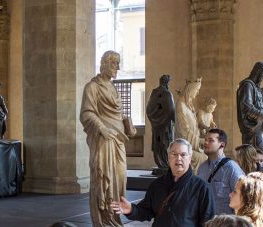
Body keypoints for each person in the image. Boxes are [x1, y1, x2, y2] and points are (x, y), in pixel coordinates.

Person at [80, 50, 136, 227]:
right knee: (104, 179)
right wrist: (102, 129)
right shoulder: (92, 87)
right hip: (104, 142)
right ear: (104, 63)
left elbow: (117, 115)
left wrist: (127, 124)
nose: (118, 67)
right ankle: (104, 220)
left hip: (118, 141)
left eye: (119, 64)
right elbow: (86, 113)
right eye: (114, 63)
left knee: (119, 180)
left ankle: (114, 218)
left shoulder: (112, 88)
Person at [110, 139, 215, 227]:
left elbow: (208, 222)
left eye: (183, 154)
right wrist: (131, 210)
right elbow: (146, 212)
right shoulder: (157, 185)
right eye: (174, 154)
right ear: (168, 157)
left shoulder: (202, 187)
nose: (178, 158)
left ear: (190, 158)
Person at [197, 128, 245, 214]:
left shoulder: (231, 168)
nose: (205, 143)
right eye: (205, 140)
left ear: (222, 145)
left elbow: (243, 197)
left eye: (211, 140)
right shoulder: (201, 167)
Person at [236, 62, 263, 163]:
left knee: (262, 155)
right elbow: (246, 106)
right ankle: (257, 176)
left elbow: (258, 104)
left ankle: (259, 175)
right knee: (260, 154)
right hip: (253, 127)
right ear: (259, 72)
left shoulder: (256, 87)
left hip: (261, 126)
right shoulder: (247, 85)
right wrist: (262, 113)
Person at [175, 78, 207, 174]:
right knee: (204, 158)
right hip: (184, 147)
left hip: (191, 145)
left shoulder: (188, 105)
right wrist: (200, 140)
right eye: (196, 90)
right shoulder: (180, 105)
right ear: (190, 89)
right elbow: (183, 132)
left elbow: (194, 126)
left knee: (208, 155)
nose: (197, 93)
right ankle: (196, 184)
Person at [146, 74, 175, 173]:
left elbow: (149, 110)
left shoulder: (154, 93)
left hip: (156, 126)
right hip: (165, 127)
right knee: (165, 144)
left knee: (159, 145)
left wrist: (156, 120)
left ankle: (161, 163)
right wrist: (175, 120)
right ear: (166, 82)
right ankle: (164, 163)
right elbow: (171, 110)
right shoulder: (166, 93)